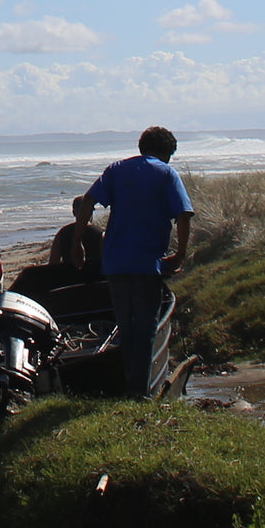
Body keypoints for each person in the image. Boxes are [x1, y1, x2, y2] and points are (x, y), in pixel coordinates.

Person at [71, 126, 194, 399]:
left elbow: (88, 202)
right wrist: (181, 254)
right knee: (145, 328)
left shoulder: (116, 170)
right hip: (147, 264)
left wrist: (77, 241)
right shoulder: (166, 173)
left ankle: (130, 387)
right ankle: (139, 392)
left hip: (115, 263)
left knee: (126, 329)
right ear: (165, 153)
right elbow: (183, 216)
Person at [49, 195, 103, 280]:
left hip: (70, 281)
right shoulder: (100, 233)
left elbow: (53, 265)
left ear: (74, 212)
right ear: (91, 211)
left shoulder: (62, 233)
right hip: (95, 280)